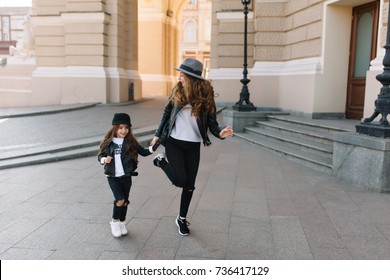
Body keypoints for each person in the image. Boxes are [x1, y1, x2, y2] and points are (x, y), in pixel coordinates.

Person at [150, 58, 234, 236]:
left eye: (182, 75)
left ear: (191, 77)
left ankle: (181, 218)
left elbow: (211, 122)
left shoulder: (206, 95)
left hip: (193, 145)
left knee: (189, 185)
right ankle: (161, 161)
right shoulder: (177, 90)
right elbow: (167, 112)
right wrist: (158, 134)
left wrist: (220, 133)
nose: (179, 78)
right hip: (173, 142)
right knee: (180, 180)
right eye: (179, 74)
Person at [98, 113, 156, 237]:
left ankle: (122, 222)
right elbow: (100, 156)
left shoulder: (130, 142)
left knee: (125, 201)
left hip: (126, 176)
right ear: (115, 128)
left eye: (126, 128)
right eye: (120, 128)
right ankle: (114, 222)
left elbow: (144, 152)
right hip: (113, 177)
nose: (124, 130)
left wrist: (154, 147)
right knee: (120, 199)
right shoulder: (108, 142)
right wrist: (104, 160)